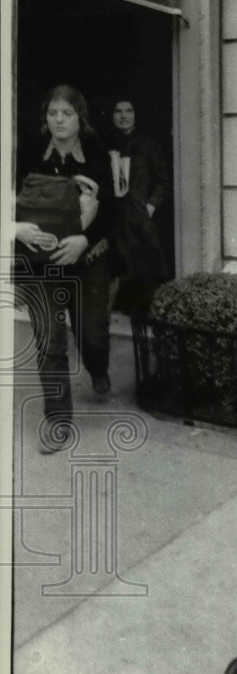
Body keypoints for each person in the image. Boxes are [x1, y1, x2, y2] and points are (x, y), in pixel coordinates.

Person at [14, 84, 114, 454]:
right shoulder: (28, 153)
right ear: (46, 118)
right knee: (50, 341)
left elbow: (116, 211)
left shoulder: (98, 156)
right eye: (52, 113)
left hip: (87, 260)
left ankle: (98, 367)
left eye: (66, 113)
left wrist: (83, 241)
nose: (58, 120)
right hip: (40, 264)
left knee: (92, 335)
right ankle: (57, 421)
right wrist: (19, 230)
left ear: (79, 118)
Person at [106, 97, 171, 315]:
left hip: (139, 216)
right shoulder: (104, 144)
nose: (123, 116)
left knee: (144, 263)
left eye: (128, 110)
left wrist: (151, 206)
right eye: (118, 111)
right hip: (114, 216)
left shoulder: (148, 145)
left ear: (136, 114)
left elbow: (163, 180)